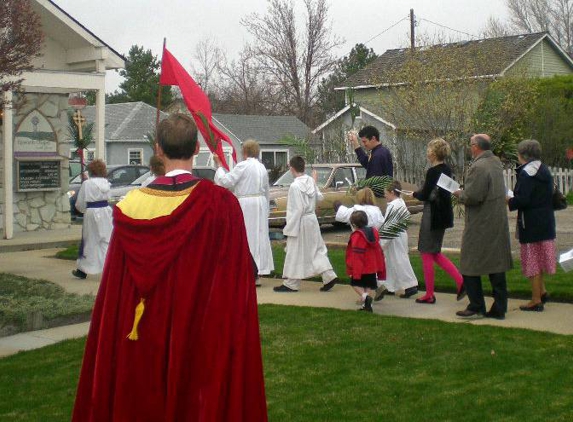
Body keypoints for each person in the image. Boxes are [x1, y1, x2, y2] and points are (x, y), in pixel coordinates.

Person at [72, 114, 268, 421]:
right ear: (197, 148)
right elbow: (236, 277)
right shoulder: (221, 204)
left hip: (143, 325)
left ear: (158, 149)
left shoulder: (130, 205)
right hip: (200, 324)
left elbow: (115, 288)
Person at [453, 134, 513, 320]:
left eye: (471, 145)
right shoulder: (495, 162)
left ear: (476, 146)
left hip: (480, 222)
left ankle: (477, 305)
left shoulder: (478, 167)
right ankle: (500, 306)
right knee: (496, 264)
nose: (470, 148)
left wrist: (459, 193)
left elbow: (473, 196)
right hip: (496, 219)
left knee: (469, 263)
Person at [274, 155, 339, 292]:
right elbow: (319, 197)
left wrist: (289, 228)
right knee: (316, 248)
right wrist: (314, 183)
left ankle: (291, 283)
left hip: (301, 220)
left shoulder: (295, 186)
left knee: (294, 250)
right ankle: (329, 275)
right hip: (312, 220)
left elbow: (296, 209)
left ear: (291, 169)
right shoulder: (310, 180)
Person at [214, 139, 274, 281]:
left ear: (245, 152)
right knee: (258, 237)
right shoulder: (262, 167)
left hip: (246, 204)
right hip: (260, 203)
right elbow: (266, 190)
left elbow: (225, 182)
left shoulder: (243, 166)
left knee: (246, 235)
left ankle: (250, 270)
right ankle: (257, 270)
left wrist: (219, 167)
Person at [413, 138, 464, 304]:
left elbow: (426, 194)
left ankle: (429, 294)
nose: (427, 153)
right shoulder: (447, 170)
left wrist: (414, 194)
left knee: (426, 252)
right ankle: (460, 281)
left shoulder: (433, 171)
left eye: (429, 150)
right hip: (443, 215)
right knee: (434, 252)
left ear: (434, 153)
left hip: (432, 214)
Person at [508, 139, 556, 312]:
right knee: (539, 258)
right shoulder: (543, 169)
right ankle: (542, 292)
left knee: (532, 261)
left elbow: (524, 199)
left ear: (522, 155)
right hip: (546, 221)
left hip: (531, 223)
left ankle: (535, 300)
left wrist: (510, 200)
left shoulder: (527, 173)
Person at [71, 159, 113, 280]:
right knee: (106, 239)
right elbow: (108, 197)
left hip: (92, 212)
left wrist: (82, 210)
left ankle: (83, 270)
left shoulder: (87, 184)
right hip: (105, 211)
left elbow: (80, 203)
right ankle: (109, 267)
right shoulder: (106, 183)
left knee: (90, 240)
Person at [377, 181, 419, 298]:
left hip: (394, 237)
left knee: (399, 260)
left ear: (391, 192)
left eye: (386, 193)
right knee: (391, 261)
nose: (384, 196)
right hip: (399, 235)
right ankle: (390, 286)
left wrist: (382, 242)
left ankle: (410, 285)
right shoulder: (400, 203)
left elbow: (389, 226)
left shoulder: (394, 206)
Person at [346, 210, 386, 312]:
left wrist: (353, 267)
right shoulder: (373, 233)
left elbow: (356, 254)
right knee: (368, 285)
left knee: (355, 284)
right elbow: (378, 250)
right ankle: (368, 306)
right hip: (372, 266)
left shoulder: (357, 236)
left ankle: (365, 297)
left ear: (353, 224)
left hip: (361, 266)